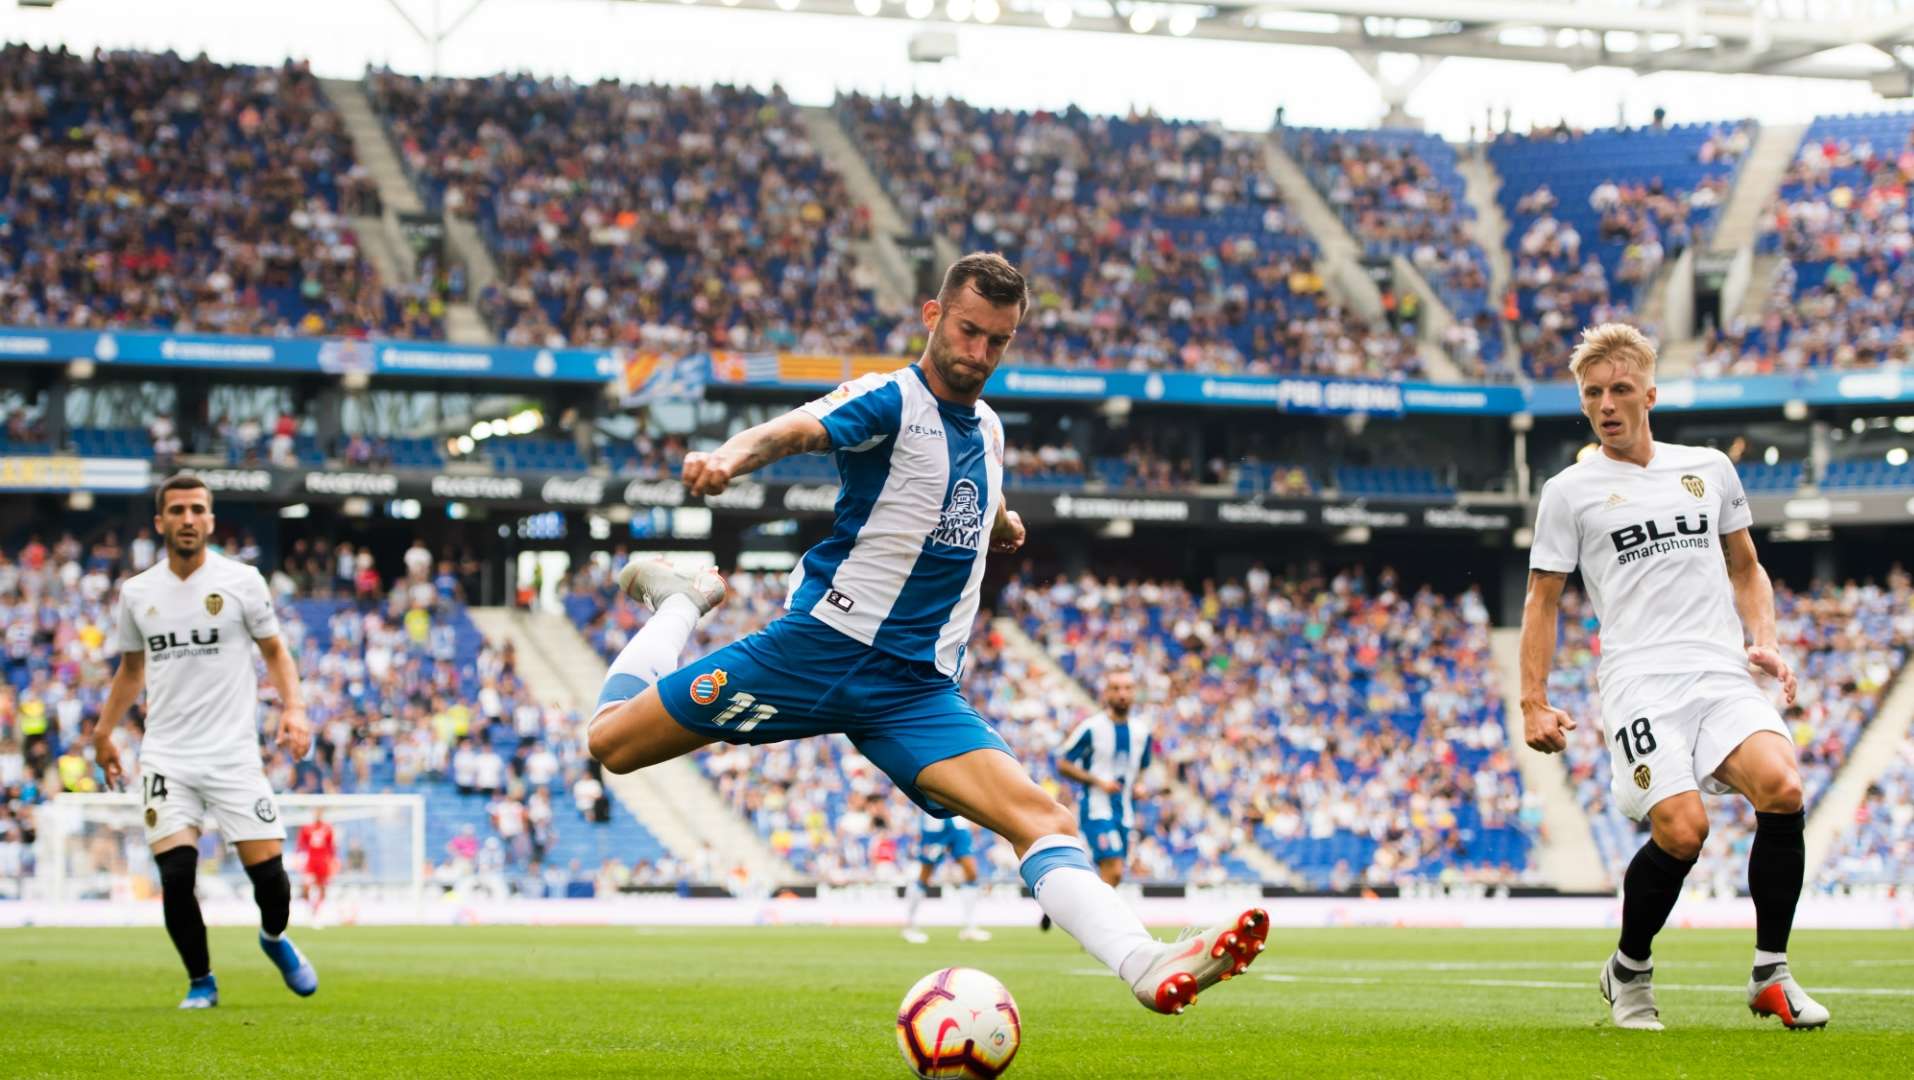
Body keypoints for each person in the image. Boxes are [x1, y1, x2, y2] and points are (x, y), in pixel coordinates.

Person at [586, 253, 1266, 1015]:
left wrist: (1003, 524)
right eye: (968, 331)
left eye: (997, 342)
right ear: (932, 315)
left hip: (915, 690)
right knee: (611, 743)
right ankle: (680, 600)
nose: (978, 354)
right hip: (815, 651)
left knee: (1042, 818)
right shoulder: (889, 398)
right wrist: (728, 459)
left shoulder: (992, 428)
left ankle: (1143, 962)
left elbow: (982, 492)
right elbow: (801, 428)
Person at [1520, 323, 1825, 1031]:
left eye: (1620, 389)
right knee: (1683, 831)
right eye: (1592, 393)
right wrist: (1534, 702)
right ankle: (1629, 971)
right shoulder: (1570, 492)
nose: (1606, 404)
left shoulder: (1709, 468)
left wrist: (1767, 639)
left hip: (1719, 669)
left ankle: (1770, 974)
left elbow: (1745, 567)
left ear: (1649, 394)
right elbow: (1541, 599)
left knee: (1783, 788)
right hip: (1641, 680)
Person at [93, 473, 320, 1008]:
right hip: (167, 757)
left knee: (272, 884)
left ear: (211, 520)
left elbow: (275, 653)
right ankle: (201, 982)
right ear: (160, 522)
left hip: (233, 756)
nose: (188, 519)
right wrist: (103, 731)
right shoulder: (138, 592)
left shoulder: (243, 581)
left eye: (197, 509)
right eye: (177, 510)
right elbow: (131, 669)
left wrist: (295, 707)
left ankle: (273, 938)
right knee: (176, 875)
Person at [1042, 667, 1151, 931]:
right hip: (1096, 808)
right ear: (1106, 693)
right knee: (1112, 869)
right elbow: (1064, 764)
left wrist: (1138, 785)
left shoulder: (1141, 732)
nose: (1122, 694)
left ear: (1134, 693)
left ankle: (1058, 903)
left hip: (1123, 811)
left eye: (1127, 688)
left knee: (1109, 874)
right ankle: (1099, 931)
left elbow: (1142, 767)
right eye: (1116, 688)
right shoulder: (1092, 728)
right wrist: (1098, 781)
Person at [901, 808, 990, 945]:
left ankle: (969, 926)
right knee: (925, 874)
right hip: (935, 823)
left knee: (971, 872)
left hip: (959, 822)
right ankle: (910, 925)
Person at [295, 808, 338, 926]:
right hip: (311, 862)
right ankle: (310, 910)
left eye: (320, 812)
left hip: (323, 862)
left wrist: (333, 861)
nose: (317, 814)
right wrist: (298, 858)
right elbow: (300, 845)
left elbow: (331, 847)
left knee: (322, 888)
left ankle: (317, 912)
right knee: (306, 886)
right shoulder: (307, 828)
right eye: (316, 812)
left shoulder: (328, 828)